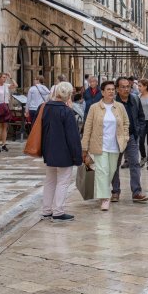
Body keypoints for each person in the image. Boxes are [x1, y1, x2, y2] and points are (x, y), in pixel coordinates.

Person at [81, 81, 129, 211]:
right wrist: (84, 147)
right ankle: (105, 198)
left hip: (115, 145)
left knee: (111, 171)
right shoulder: (94, 108)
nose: (111, 91)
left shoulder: (119, 107)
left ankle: (103, 192)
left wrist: (125, 137)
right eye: (108, 89)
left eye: (113, 89)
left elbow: (126, 123)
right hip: (99, 145)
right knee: (102, 171)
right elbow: (87, 127)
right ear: (102, 92)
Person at [40, 81, 82, 222]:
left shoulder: (45, 107)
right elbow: (73, 137)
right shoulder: (66, 111)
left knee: (50, 180)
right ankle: (58, 212)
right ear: (69, 95)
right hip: (64, 152)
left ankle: (46, 210)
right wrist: (77, 156)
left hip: (48, 149)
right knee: (63, 181)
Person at [110, 77, 148, 203]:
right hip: (116, 137)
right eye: (123, 87)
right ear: (117, 89)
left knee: (135, 163)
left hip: (131, 136)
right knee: (114, 165)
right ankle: (115, 191)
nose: (126, 89)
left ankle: (136, 192)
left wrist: (139, 132)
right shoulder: (112, 102)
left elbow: (141, 117)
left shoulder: (135, 99)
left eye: (128, 86)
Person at [0, 72, 18, 152]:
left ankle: (3, 144)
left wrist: (10, 77)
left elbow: (16, 85)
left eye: (5, 78)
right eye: (3, 77)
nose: (4, 79)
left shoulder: (6, 85)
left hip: (6, 107)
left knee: (5, 126)